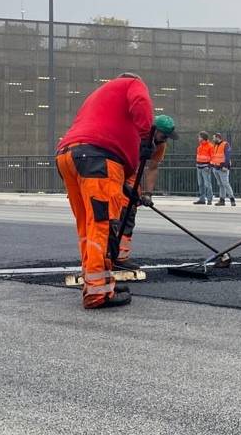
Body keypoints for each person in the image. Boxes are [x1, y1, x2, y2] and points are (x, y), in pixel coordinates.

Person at [55, 73, 172, 310]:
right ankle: (98, 293)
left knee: (88, 225)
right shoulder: (131, 83)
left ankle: (96, 282)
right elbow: (140, 101)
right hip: (99, 159)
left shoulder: (97, 96)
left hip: (69, 156)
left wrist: (129, 188)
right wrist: (145, 137)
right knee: (103, 225)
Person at [113, 114, 178, 270]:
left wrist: (147, 194)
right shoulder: (132, 136)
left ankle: (120, 257)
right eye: (164, 135)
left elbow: (152, 168)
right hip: (115, 174)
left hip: (131, 179)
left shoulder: (160, 145)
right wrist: (122, 184)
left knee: (128, 215)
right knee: (113, 217)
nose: (165, 140)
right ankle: (107, 256)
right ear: (154, 130)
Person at [211, 132, 236, 206]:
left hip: (222, 168)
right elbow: (214, 156)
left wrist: (225, 166)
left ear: (218, 137)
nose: (213, 139)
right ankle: (222, 200)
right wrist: (212, 165)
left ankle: (232, 199)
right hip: (216, 167)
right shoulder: (215, 145)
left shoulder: (225, 144)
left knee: (225, 184)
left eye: (214, 138)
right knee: (221, 184)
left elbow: (227, 156)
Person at [194, 131, 215, 205]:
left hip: (205, 167)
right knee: (200, 184)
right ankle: (202, 199)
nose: (198, 138)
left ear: (202, 138)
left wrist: (209, 166)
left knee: (207, 184)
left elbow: (213, 157)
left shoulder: (210, 146)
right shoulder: (200, 146)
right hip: (199, 167)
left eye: (199, 137)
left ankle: (209, 199)